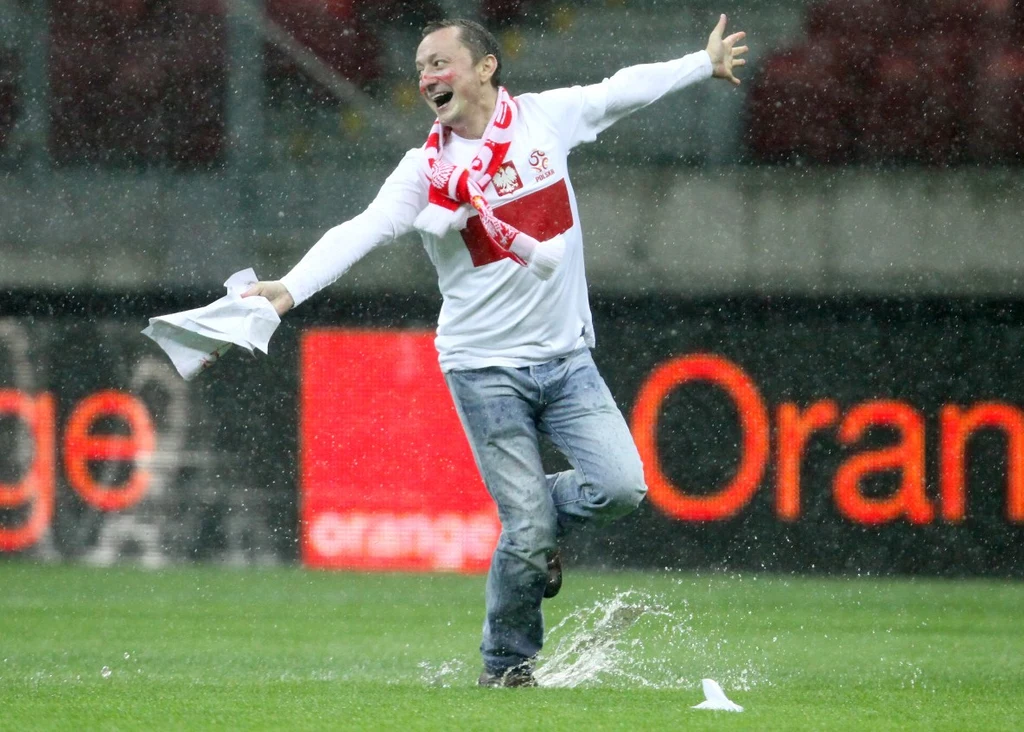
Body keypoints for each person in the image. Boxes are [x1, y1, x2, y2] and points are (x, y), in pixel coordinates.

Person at [244, 15, 747, 687]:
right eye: (420, 66)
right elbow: (359, 230)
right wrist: (289, 289)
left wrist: (699, 63)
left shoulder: (545, 121)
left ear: (485, 68)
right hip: (484, 369)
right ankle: (506, 665)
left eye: (440, 61)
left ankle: (531, 520)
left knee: (621, 489)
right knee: (530, 530)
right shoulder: (425, 170)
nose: (427, 75)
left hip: (568, 360)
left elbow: (620, 89)